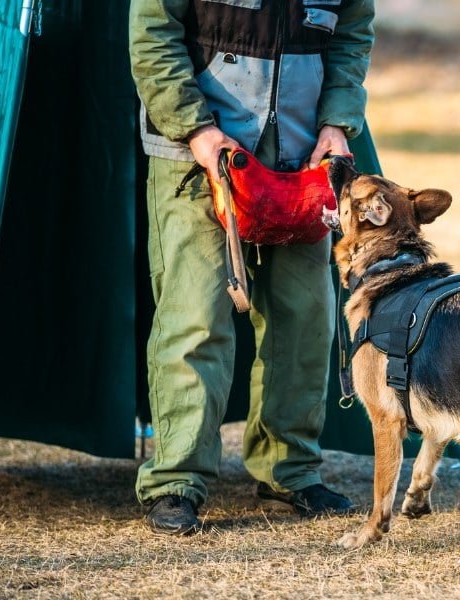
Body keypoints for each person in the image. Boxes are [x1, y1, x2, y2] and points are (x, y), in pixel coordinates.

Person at [129, 0, 374, 535]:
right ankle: (176, 481)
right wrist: (195, 130)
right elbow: (152, 34)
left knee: (305, 320)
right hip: (197, 155)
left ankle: (290, 473)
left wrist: (337, 123)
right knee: (195, 319)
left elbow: (352, 35)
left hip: (304, 158)